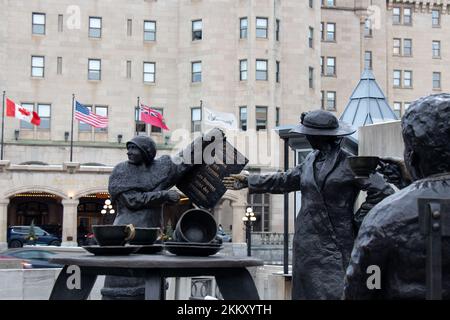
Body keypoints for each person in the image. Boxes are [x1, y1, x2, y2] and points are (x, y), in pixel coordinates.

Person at [223, 110, 394, 300]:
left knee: (335, 293)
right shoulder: (310, 160)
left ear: (319, 136)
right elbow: (284, 180)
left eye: (308, 133)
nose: (305, 136)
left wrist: (356, 223)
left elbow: (382, 192)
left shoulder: (349, 163)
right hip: (306, 245)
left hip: (334, 246)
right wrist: (249, 181)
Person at [344, 93, 450, 299]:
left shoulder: (384, 218)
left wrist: (407, 193)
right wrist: (409, 185)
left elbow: (362, 290)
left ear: (412, 156)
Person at [101, 135, 193, 300]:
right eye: (128, 148)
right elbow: (132, 200)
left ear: (146, 152)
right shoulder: (121, 170)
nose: (129, 152)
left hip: (151, 236)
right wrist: (164, 195)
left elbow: (184, 161)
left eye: (134, 148)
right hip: (128, 234)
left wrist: (207, 140)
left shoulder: (161, 169)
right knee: (121, 285)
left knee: (152, 283)